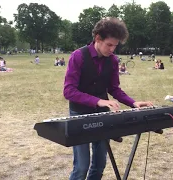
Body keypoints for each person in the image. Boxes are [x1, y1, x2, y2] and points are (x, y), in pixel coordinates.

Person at [63, 17, 153, 180]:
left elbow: (114, 89)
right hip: (79, 114)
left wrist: (133, 102)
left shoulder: (112, 61)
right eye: (109, 45)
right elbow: (69, 91)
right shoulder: (78, 56)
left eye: (115, 46)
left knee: (99, 166)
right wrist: (98, 100)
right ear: (98, 38)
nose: (112, 49)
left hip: (102, 115)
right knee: (81, 167)